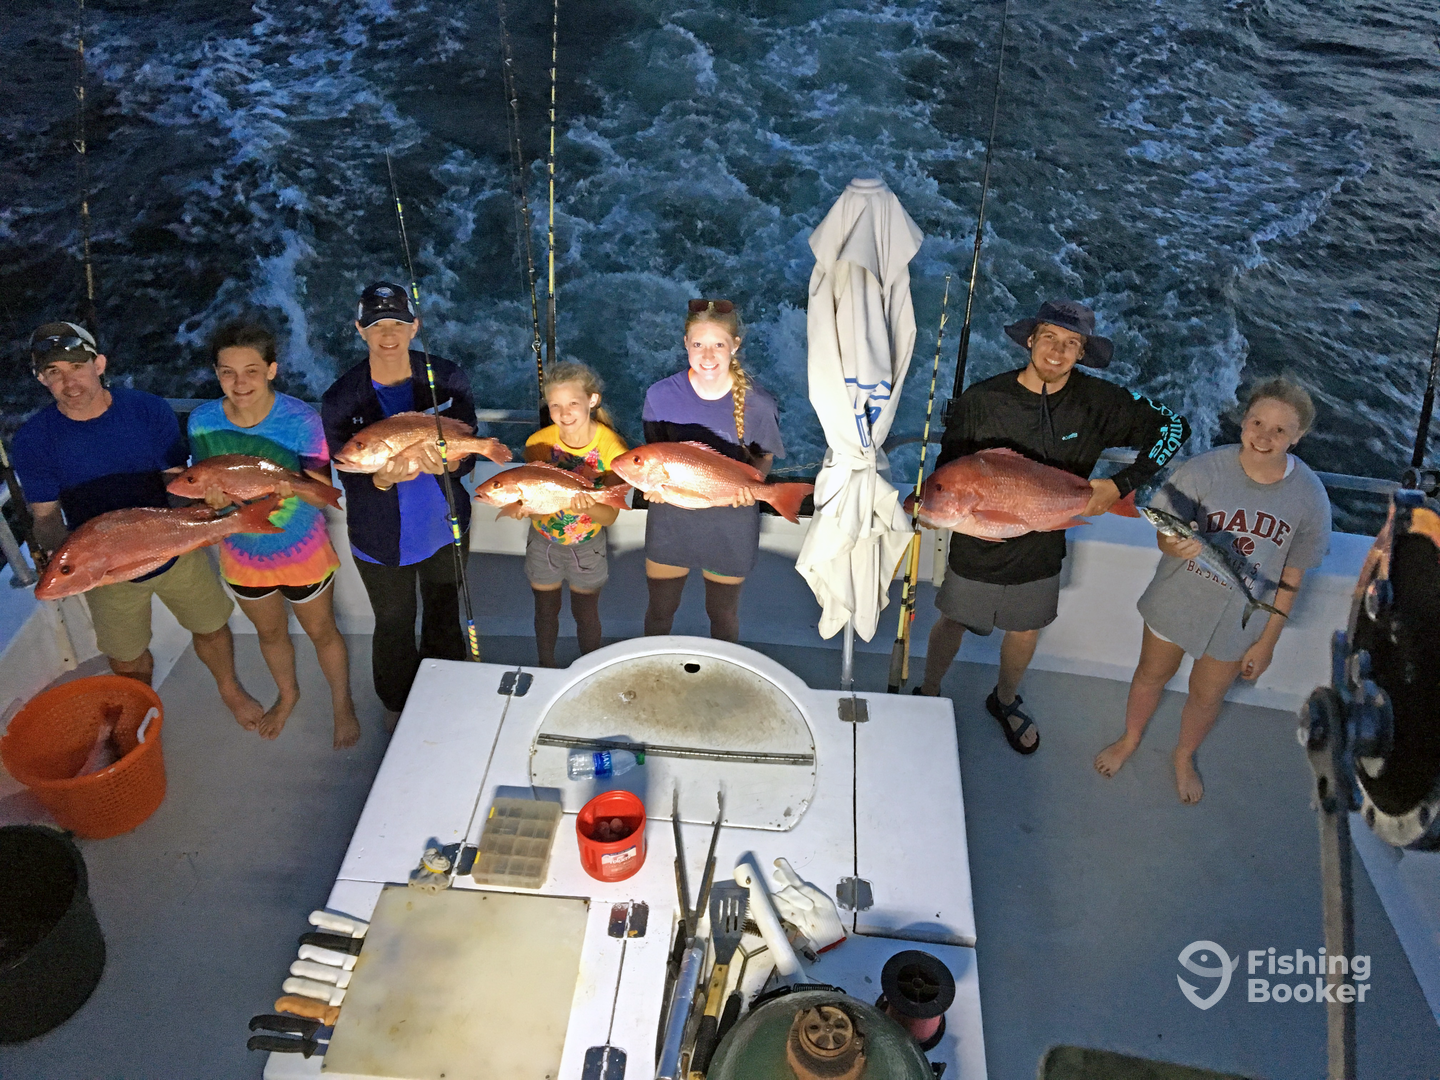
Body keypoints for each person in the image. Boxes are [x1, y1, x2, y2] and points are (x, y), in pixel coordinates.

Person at [916, 299, 1190, 754]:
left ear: (1082, 353)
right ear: (1030, 340)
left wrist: (1120, 484)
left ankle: (1005, 699)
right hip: (976, 541)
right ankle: (928, 691)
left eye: (1071, 343)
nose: (1057, 351)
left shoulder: (1101, 402)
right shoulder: (982, 400)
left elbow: (1174, 427)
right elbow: (948, 471)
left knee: (1025, 630)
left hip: (1043, 543)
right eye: (1049, 337)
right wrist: (932, 512)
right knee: (953, 619)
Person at [11, 321, 264, 728]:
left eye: (76, 367)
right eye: (53, 372)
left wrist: (198, 523)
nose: (69, 382)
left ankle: (229, 689)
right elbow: (45, 517)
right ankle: (139, 712)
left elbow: (175, 481)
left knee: (212, 626)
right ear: (41, 379)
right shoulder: (32, 440)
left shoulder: (147, 409)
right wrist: (67, 555)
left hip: (175, 548)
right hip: (104, 570)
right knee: (126, 655)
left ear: (99, 364)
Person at [1095, 378, 1331, 803]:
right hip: (1177, 600)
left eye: (1280, 430)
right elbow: (1165, 533)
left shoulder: (1310, 498)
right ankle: (1130, 737)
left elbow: (1293, 575)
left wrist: (1267, 642)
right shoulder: (1203, 469)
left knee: (1207, 696)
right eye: (1257, 422)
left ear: (1298, 437)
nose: (1264, 436)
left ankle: (1183, 754)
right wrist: (1174, 544)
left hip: (1240, 621)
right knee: (1150, 673)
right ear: (1243, 421)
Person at [187, 320, 359, 748]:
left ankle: (342, 703)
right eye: (228, 372)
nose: (239, 382)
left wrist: (290, 487)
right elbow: (206, 488)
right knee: (269, 634)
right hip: (243, 554)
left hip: (301, 550)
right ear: (216, 374)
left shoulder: (301, 419)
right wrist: (213, 502)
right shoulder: (202, 422)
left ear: (271, 370)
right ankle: (288, 694)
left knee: (322, 631)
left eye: (251, 370)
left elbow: (320, 493)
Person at [321, 283, 477, 724]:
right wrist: (382, 480)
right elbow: (347, 474)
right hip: (380, 537)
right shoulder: (340, 399)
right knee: (393, 623)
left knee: (444, 613)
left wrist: (449, 464)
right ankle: (396, 709)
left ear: (414, 326)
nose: (387, 334)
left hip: (446, 526)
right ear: (360, 330)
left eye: (397, 323)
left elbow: (467, 453)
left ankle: (444, 699)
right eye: (376, 325)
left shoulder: (447, 378)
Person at [639, 299, 786, 642]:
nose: (707, 355)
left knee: (722, 613)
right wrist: (651, 487)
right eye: (698, 344)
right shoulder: (659, 395)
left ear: (735, 345)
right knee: (660, 610)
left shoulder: (759, 404)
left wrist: (754, 486)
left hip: (730, 521)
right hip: (671, 518)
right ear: (685, 344)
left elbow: (764, 456)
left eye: (718, 344)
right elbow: (653, 455)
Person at [522, 362, 627, 667]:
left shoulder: (612, 448)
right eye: (555, 405)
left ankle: (588, 668)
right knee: (545, 611)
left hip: (588, 545)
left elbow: (609, 517)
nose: (564, 413)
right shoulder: (537, 444)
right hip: (543, 542)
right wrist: (522, 507)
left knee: (586, 613)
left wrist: (587, 505)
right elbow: (535, 507)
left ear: (592, 401)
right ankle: (545, 665)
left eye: (572, 404)